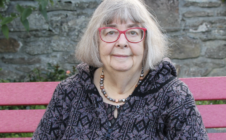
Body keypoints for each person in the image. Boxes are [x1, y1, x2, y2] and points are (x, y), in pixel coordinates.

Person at [32, 0, 209, 139]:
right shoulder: (69, 92)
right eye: (110, 32)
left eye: (133, 32)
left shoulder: (174, 96)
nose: (122, 42)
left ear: (145, 42)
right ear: (96, 41)